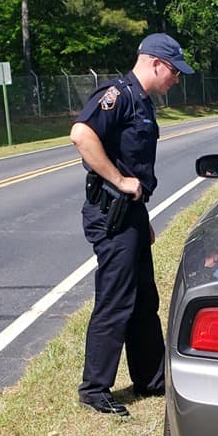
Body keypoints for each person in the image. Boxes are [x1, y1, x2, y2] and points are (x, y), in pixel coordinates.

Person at [71, 33, 194, 416]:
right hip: (112, 213)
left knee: (144, 299)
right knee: (116, 300)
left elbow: (136, 169)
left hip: (131, 215)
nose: (176, 79)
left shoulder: (142, 102)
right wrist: (119, 182)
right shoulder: (119, 95)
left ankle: (151, 379)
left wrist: (143, 221)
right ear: (155, 63)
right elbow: (81, 134)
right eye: (174, 71)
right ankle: (95, 388)